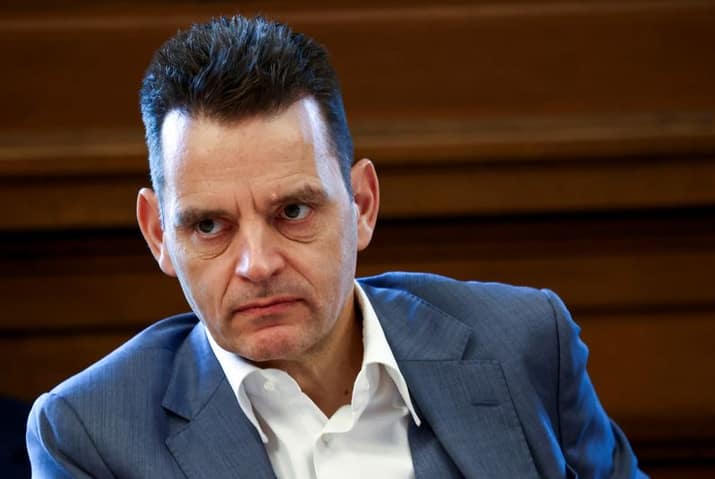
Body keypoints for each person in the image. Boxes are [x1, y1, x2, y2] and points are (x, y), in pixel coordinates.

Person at [27, 15, 647, 478]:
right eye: (209, 227)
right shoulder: (89, 436)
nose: (257, 265)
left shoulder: (525, 343)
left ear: (362, 205)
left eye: (293, 212)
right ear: (159, 235)